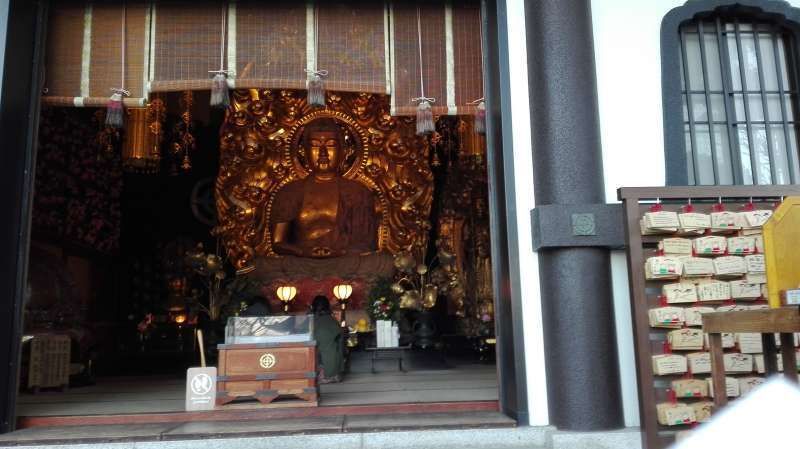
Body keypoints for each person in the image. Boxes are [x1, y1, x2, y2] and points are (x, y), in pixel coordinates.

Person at [310, 295, 344, 383]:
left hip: (315, 363)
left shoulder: (310, 320)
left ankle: (322, 374)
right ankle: (332, 374)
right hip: (334, 365)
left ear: (313, 306)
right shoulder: (332, 321)